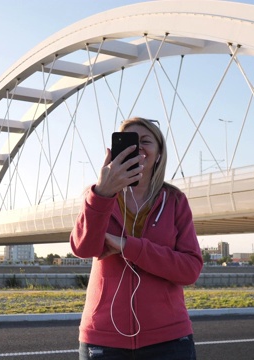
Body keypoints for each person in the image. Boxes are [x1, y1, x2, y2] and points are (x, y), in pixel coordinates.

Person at [70, 117, 204, 359]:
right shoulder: (98, 196)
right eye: (130, 142)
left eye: (146, 141)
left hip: (169, 339)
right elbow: (83, 247)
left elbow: (190, 270)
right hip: (103, 338)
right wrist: (103, 192)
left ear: (159, 153)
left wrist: (128, 246)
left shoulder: (174, 201)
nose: (138, 147)